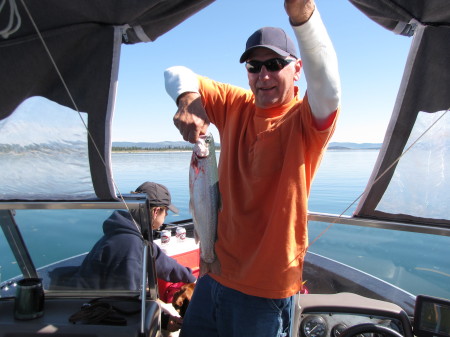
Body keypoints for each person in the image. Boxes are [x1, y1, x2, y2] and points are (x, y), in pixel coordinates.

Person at [163, 0, 340, 336]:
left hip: (263, 293)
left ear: (297, 68)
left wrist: (303, 18)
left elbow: (329, 88)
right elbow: (174, 72)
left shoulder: (306, 119)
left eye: (275, 63)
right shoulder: (235, 104)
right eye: (254, 67)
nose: (264, 75)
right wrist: (187, 98)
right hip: (212, 275)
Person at [73, 181, 196, 332]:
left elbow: (163, 263)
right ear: (156, 211)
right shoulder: (129, 244)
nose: (167, 216)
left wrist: (194, 280)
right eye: (166, 212)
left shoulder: (135, 234)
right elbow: (128, 303)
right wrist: (163, 321)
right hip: (98, 321)